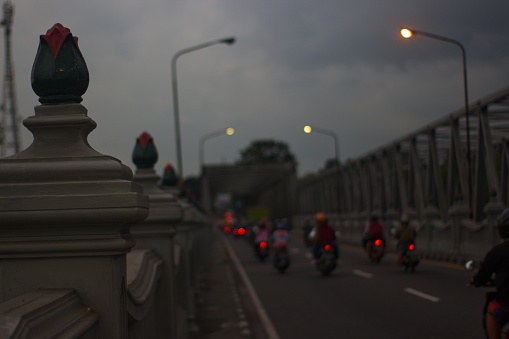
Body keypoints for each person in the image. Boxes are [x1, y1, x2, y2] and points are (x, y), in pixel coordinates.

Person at [471, 208, 509, 339]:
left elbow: (483, 275)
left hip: (507, 306)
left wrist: (477, 281)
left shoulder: (497, 252)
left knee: (491, 310)